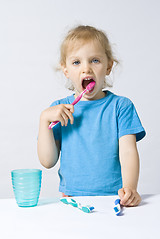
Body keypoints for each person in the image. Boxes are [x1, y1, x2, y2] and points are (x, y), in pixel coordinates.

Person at [37, 25, 146, 207]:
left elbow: (128, 152)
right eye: (76, 62)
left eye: (95, 60)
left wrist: (130, 188)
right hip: (72, 200)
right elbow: (48, 161)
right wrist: (44, 119)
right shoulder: (58, 109)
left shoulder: (121, 107)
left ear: (109, 66)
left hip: (113, 199)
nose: (86, 69)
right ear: (66, 70)